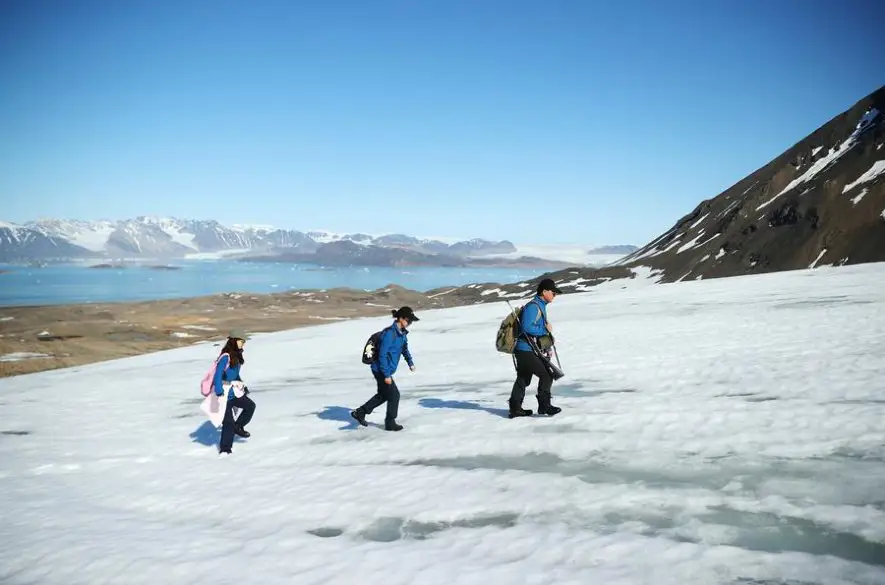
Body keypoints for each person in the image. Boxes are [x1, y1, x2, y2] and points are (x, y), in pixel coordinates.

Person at [351, 306, 419, 431]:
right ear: (401, 318)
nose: (410, 324)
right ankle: (390, 422)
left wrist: (410, 362)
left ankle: (360, 412)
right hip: (380, 369)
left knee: (383, 395)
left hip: (385, 369)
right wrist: (386, 375)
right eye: (409, 321)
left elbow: (404, 349)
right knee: (394, 395)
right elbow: (382, 355)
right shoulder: (389, 334)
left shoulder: (402, 334)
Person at [508, 278, 562, 418]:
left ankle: (515, 408)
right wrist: (544, 330)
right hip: (525, 349)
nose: (555, 296)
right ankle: (544, 406)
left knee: (523, 378)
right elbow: (527, 327)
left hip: (524, 349)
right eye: (553, 293)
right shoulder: (534, 306)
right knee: (547, 375)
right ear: (544, 292)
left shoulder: (540, 305)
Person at [214, 329, 256, 454]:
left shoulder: (236, 356)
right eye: (241, 341)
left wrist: (243, 386)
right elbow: (217, 375)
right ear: (234, 341)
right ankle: (225, 449)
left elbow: (235, 376)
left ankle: (238, 426)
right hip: (224, 395)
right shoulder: (225, 357)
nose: (243, 343)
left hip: (234, 393)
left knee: (250, 406)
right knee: (228, 422)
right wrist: (218, 390)